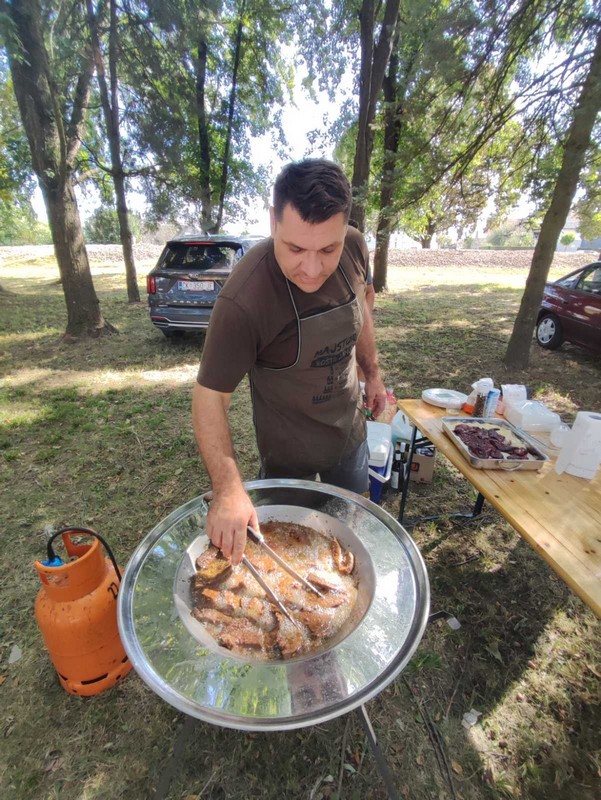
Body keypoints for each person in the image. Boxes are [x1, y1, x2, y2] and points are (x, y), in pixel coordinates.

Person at [192, 159, 386, 565]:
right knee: (286, 556)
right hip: (288, 455)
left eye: (326, 249)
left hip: (349, 433)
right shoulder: (243, 300)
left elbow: (362, 307)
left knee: (347, 537)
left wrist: (373, 375)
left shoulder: (353, 245)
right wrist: (228, 488)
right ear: (273, 222)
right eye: (296, 248)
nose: (312, 269)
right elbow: (210, 397)